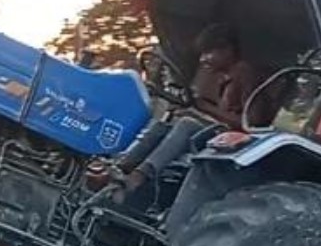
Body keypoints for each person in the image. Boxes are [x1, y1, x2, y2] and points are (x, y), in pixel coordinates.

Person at [100, 24, 276, 197]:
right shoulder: (227, 77)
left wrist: (204, 107)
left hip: (239, 141)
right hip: (222, 133)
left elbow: (251, 123)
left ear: (227, 50)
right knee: (166, 125)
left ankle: (140, 176)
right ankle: (120, 168)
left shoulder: (245, 72)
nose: (203, 59)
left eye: (208, 53)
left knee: (187, 124)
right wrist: (194, 106)